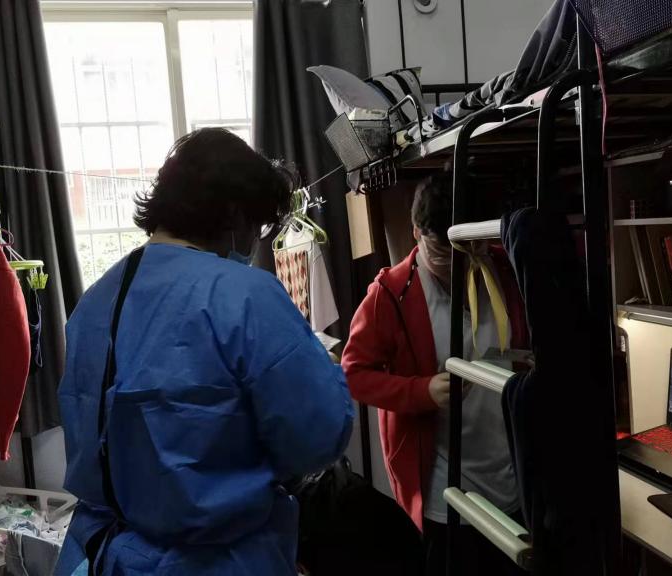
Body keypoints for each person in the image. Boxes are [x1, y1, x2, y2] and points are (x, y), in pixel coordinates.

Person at [56, 128, 354, 576]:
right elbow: (318, 436)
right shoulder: (244, 294)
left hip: (109, 556)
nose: (254, 242)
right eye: (257, 226)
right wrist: (325, 373)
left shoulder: (94, 303)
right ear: (235, 214)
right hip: (218, 560)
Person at [341, 173, 524, 576]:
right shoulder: (392, 293)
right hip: (445, 486)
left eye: (472, 247)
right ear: (416, 233)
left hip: (510, 474)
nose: (462, 262)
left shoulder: (503, 269)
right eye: (445, 251)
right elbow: (353, 373)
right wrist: (421, 391)